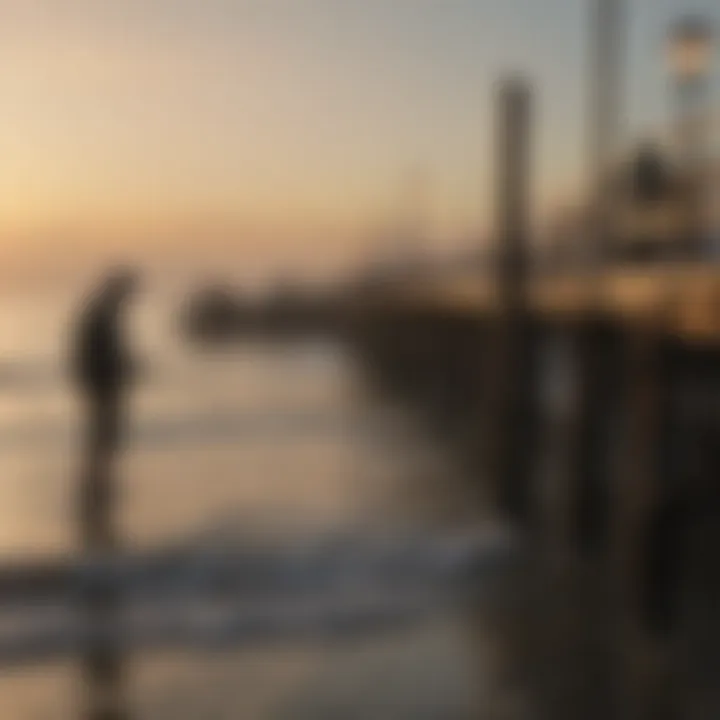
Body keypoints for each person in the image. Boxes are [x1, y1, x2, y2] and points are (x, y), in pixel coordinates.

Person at [73, 268, 138, 549]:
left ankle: (97, 496)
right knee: (102, 443)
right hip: (103, 389)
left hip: (104, 388)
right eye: (126, 293)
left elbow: (103, 354)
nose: (128, 301)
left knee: (103, 444)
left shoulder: (102, 314)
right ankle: (95, 495)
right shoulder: (101, 316)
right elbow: (94, 354)